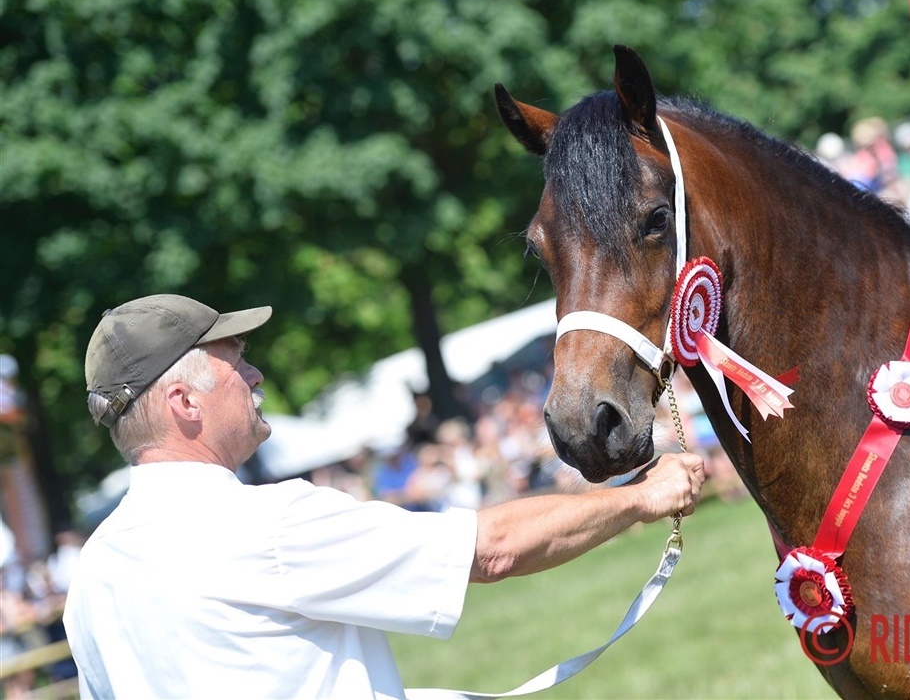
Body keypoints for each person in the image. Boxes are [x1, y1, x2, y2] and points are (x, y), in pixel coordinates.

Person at [64, 295, 705, 699]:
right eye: (233, 361)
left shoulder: (92, 578)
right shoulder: (266, 525)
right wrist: (643, 496)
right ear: (184, 402)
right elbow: (493, 550)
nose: (255, 374)